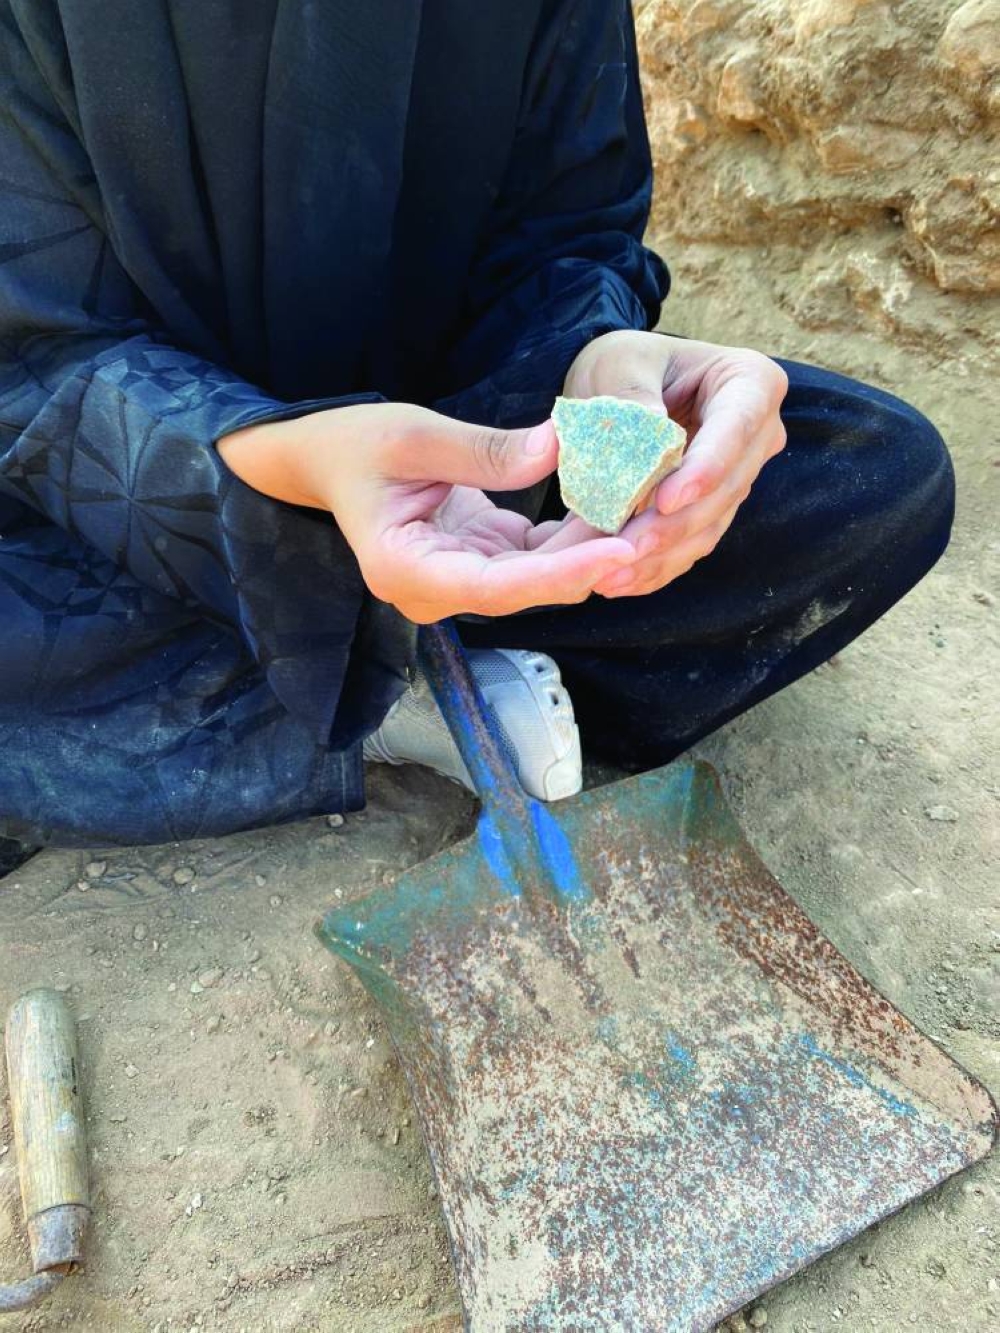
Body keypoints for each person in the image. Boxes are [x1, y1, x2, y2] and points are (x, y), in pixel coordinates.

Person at [0, 1, 953, 854]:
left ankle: (362, 663)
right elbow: (38, 348)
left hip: (460, 465)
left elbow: (569, 231)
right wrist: (267, 464)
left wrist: (596, 361)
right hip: (138, 495)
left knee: (871, 478)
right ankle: (399, 691)